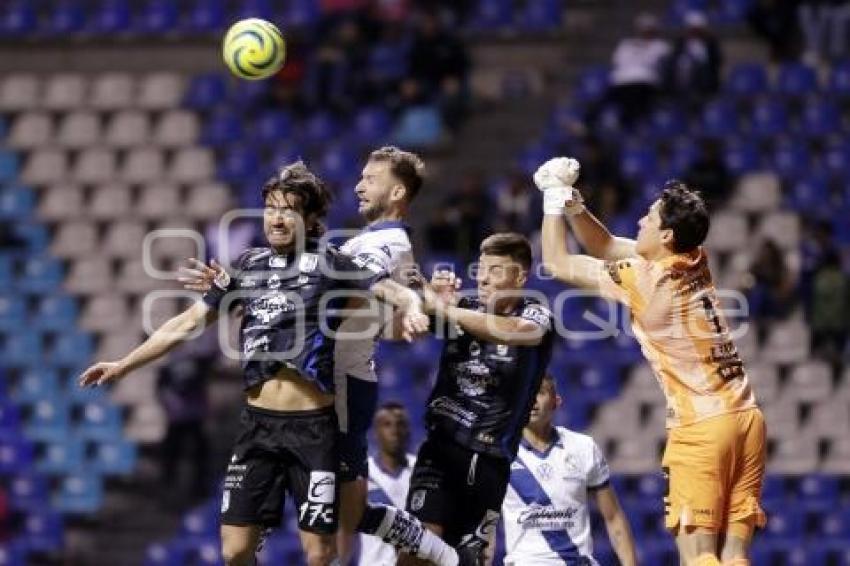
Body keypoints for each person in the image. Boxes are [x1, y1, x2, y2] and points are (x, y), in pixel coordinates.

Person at [78, 161, 428, 566]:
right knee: (235, 550)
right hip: (257, 428)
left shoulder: (331, 265)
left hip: (312, 431)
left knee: (319, 554)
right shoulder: (249, 266)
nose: (276, 218)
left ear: (311, 218)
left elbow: (387, 290)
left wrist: (415, 303)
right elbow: (187, 323)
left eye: (288, 210)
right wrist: (124, 364)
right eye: (270, 209)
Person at [181, 149, 464, 566]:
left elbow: (396, 301)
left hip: (341, 385)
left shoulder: (387, 243)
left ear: (398, 190)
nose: (358, 185)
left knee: (344, 517)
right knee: (347, 513)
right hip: (333, 377)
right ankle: (433, 549)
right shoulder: (368, 242)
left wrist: (428, 306)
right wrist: (246, 290)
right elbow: (364, 313)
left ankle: (433, 549)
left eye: (370, 178)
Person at [535, 157, 765, 566]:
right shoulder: (695, 256)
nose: (640, 220)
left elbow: (558, 263)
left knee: (699, 557)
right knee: (733, 554)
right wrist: (575, 207)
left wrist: (552, 200)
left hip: (702, 428)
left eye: (649, 217)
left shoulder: (646, 279)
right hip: (746, 419)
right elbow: (604, 246)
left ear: (668, 234)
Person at [398, 233, 556, 566]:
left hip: (489, 459)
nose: (483, 278)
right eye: (480, 269)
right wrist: (428, 293)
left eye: (496, 271)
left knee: (470, 558)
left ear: (520, 277)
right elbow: (413, 322)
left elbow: (516, 331)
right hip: (441, 448)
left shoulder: (537, 314)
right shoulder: (464, 307)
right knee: (415, 548)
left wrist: (448, 310)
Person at [492, 375, 637, 566]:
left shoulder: (583, 447)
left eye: (540, 393)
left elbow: (613, 517)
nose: (532, 400)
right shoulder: (499, 453)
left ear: (556, 401)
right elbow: (485, 529)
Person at [358, 402, 417, 566]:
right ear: (376, 432)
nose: (395, 431)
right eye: (387, 425)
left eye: (401, 424)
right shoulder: (360, 474)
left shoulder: (423, 472)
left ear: (408, 430)